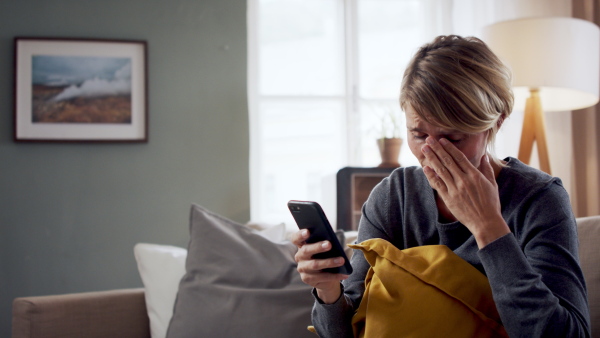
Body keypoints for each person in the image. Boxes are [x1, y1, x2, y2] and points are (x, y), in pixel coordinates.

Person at [292, 35, 591, 337]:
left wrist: (489, 227)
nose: (430, 153)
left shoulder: (539, 199)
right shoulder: (394, 196)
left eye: (454, 138)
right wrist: (329, 289)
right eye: (418, 134)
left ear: (496, 122)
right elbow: (349, 330)